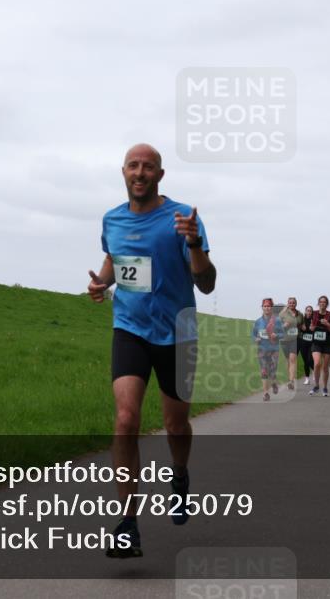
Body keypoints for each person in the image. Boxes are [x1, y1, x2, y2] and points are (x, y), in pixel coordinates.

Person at [88, 143, 216, 558]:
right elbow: (114, 258)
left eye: (148, 167)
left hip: (178, 333)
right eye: (133, 165)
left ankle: (179, 475)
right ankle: (128, 523)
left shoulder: (182, 219)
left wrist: (194, 244)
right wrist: (102, 283)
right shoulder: (112, 218)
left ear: (160, 175)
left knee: (176, 425)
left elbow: (207, 283)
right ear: (123, 172)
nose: (140, 172)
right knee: (126, 419)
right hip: (130, 328)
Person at [253, 298, 285, 401]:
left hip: (274, 349)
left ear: (271, 308)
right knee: (264, 371)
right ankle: (266, 393)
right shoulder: (258, 322)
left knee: (272, 370)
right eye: (265, 306)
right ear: (262, 307)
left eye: (269, 306)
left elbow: (283, 334)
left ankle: (274, 383)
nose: (267, 308)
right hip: (262, 349)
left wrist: (277, 335)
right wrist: (256, 339)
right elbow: (253, 334)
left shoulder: (277, 321)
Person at [308, 296, 330, 397]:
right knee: (316, 364)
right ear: (318, 303)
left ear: (327, 304)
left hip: (328, 343)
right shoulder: (314, 314)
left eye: (324, 302)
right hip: (316, 342)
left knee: (325, 367)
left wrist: (327, 324)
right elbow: (310, 328)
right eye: (321, 302)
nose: (322, 304)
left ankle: (324, 387)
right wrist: (312, 327)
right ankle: (316, 386)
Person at [277, 297, 302, 390]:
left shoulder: (300, 314)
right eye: (290, 303)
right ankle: (289, 378)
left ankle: (291, 381)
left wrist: (302, 327)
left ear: (296, 304)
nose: (292, 304)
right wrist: (284, 325)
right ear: (288, 304)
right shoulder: (283, 314)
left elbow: (301, 324)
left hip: (295, 340)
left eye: (293, 303)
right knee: (288, 361)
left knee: (293, 359)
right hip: (284, 340)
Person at [298, 305, 315, 385]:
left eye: (310, 311)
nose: (308, 312)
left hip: (312, 343)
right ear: (305, 311)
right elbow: (297, 328)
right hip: (303, 343)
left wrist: (313, 328)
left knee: (310, 360)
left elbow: (316, 330)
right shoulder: (302, 320)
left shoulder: (314, 320)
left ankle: (315, 371)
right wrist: (301, 327)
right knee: (305, 361)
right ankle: (307, 378)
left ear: (312, 312)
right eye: (307, 310)